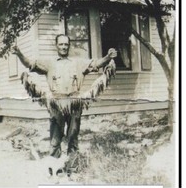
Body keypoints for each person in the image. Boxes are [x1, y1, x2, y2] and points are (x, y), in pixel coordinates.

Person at [13, 35, 117, 174]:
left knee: (73, 136)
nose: (63, 47)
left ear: (69, 46)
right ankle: (55, 170)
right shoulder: (49, 63)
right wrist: (19, 53)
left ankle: (72, 168)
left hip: (75, 104)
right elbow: (29, 64)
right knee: (55, 138)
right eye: (61, 44)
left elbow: (96, 64)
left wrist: (108, 57)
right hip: (56, 104)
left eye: (66, 44)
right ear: (56, 45)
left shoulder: (78, 63)